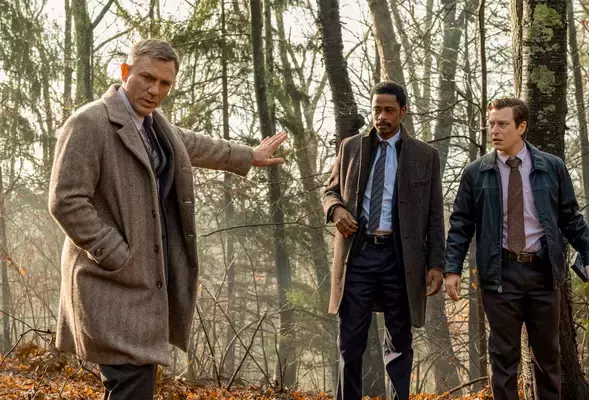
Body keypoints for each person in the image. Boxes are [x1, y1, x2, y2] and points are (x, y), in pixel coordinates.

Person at [48, 39, 286, 399]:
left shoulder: (155, 125)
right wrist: (117, 254)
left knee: (133, 384)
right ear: (125, 72)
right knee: (132, 383)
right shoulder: (89, 123)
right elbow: (65, 201)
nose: (155, 90)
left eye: (165, 83)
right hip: (107, 283)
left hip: (143, 287)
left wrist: (247, 155)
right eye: (147, 78)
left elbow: (195, 145)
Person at [444, 97, 589, 400]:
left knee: (547, 358)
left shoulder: (551, 167)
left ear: (521, 127)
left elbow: (570, 217)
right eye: (491, 124)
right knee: (503, 359)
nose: (495, 130)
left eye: (503, 124)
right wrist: (452, 269)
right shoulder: (476, 173)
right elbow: (461, 225)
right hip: (500, 273)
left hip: (543, 272)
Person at [322, 81, 445, 399]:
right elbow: (330, 191)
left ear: (403, 112)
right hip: (357, 255)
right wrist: (336, 210)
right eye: (377, 109)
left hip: (401, 259)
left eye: (389, 110)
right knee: (350, 343)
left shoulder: (425, 156)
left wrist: (436, 264)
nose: (381, 117)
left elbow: (435, 214)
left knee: (400, 344)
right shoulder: (351, 147)